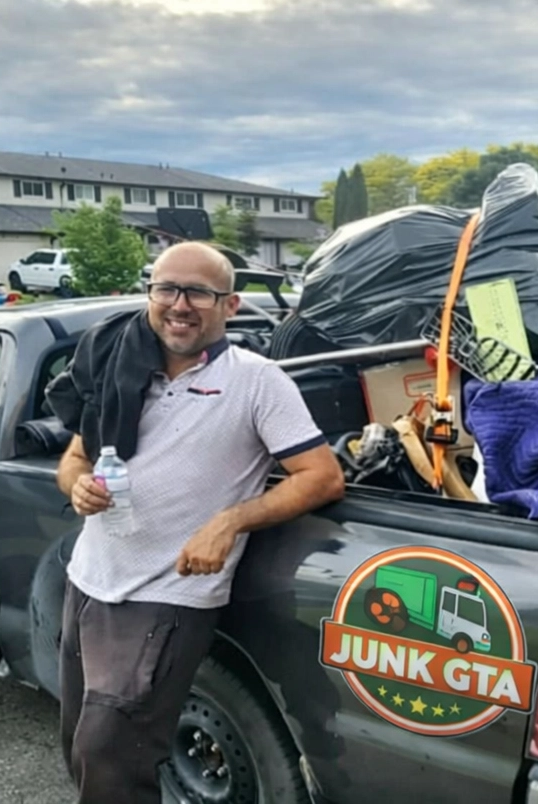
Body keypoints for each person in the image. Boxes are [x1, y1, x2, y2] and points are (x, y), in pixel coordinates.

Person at [47, 241, 345, 804]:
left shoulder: (256, 381)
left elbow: (322, 476)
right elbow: (75, 458)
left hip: (168, 597)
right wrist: (77, 486)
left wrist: (230, 521)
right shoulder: (122, 369)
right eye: (166, 288)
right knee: (78, 745)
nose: (179, 304)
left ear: (229, 306)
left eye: (198, 293)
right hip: (90, 583)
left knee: (109, 753)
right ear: (150, 294)